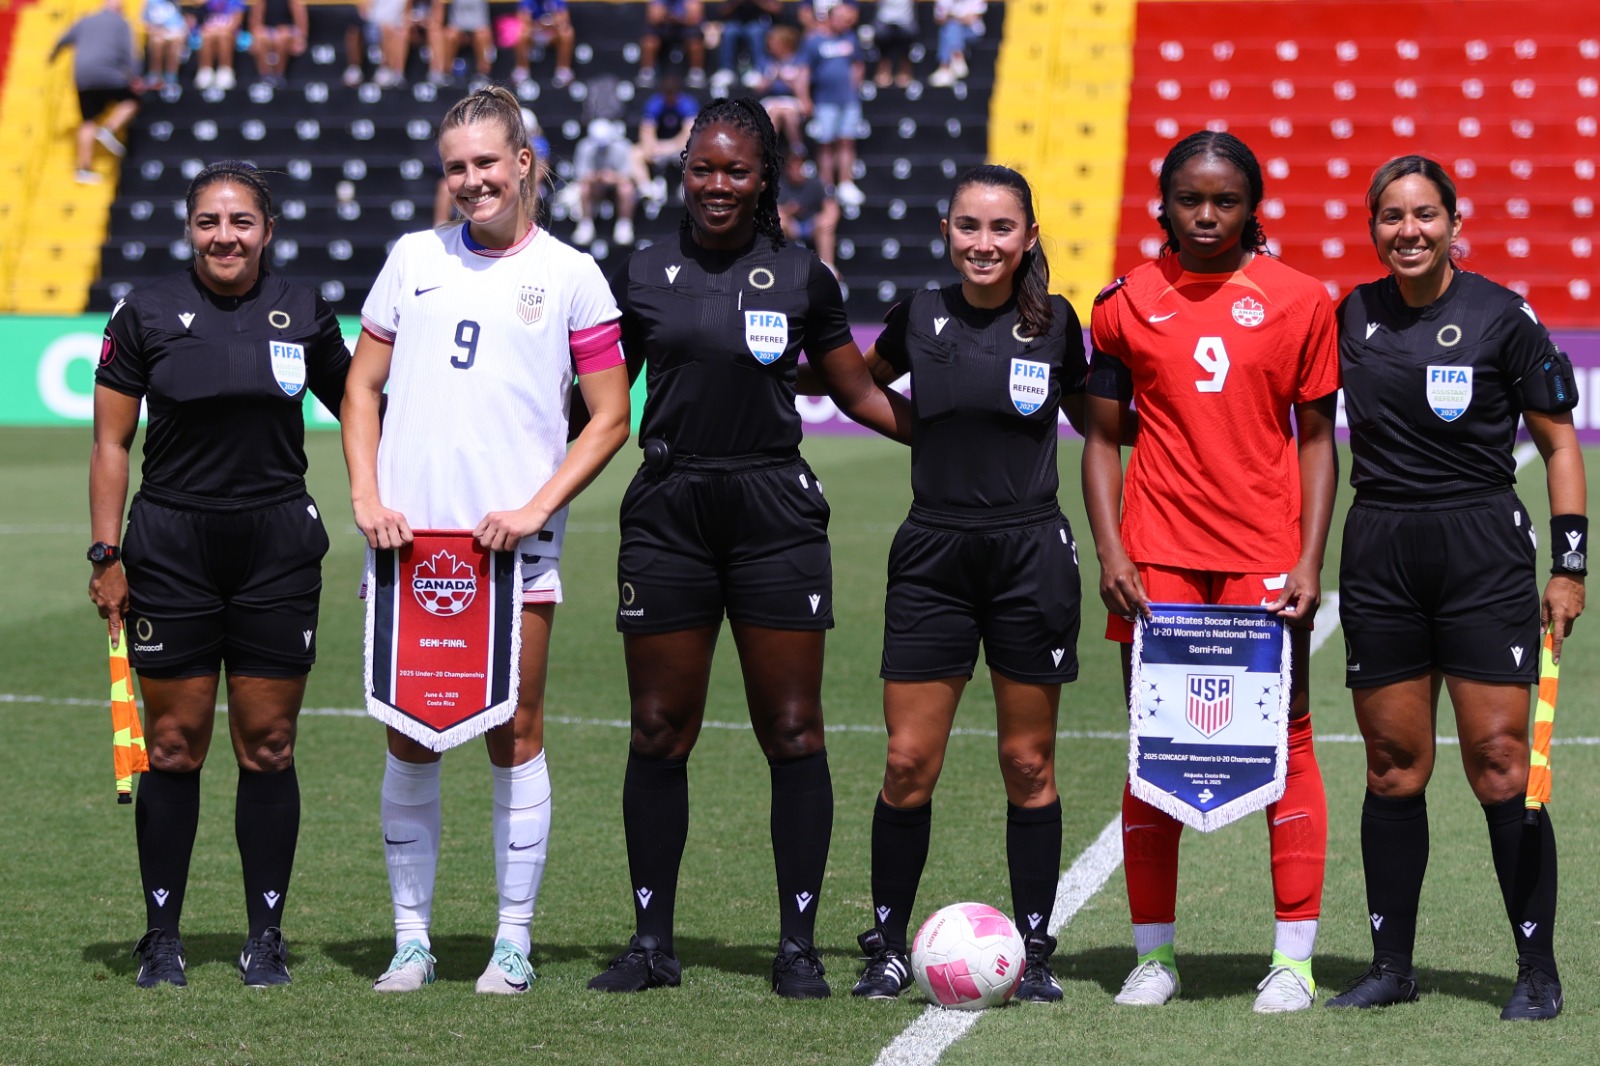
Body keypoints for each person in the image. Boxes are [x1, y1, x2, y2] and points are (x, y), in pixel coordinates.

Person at [586, 96, 909, 999]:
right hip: (669, 509)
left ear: (765, 177)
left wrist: (957, 438)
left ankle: (797, 947)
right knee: (659, 729)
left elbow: (854, 391)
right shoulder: (638, 271)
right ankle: (652, 944)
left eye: (736, 170)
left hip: (774, 512)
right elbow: (592, 402)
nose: (718, 185)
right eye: (703, 168)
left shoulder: (804, 276)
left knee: (794, 730)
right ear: (682, 172)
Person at [343, 85, 632, 995]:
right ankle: (411, 941)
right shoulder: (411, 258)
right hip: (408, 546)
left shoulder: (574, 275)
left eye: (485, 163)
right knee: (409, 737)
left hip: (511, 553)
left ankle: (513, 941)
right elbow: (360, 389)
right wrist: (366, 495)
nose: (471, 181)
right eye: (455, 167)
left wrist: (535, 508)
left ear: (524, 163)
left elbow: (610, 417)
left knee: (516, 730)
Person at [1081, 130, 1338, 1013]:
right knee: (1155, 742)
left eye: (1225, 201)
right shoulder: (1123, 304)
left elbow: (1317, 440)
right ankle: (1153, 957)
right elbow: (1101, 438)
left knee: (1286, 741)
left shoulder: (1303, 301)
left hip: (1264, 558)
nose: (1205, 215)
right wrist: (1112, 550)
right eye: (1189, 199)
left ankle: (1293, 961)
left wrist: (1309, 558)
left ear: (1251, 207)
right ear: (1163, 203)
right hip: (1156, 558)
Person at [1325, 155, 1584, 1021]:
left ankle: (1536, 972)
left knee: (1501, 764)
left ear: (1454, 223)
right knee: (1393, 766)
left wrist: (1570, 566)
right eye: (1392, 217)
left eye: (1425, 214)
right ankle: (1391, 967)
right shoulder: (1350, 315)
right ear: (1374, 228)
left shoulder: (1502, 316)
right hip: (1381, 553)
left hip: (1481, 552)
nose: (1409, 231)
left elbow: (1560, 444)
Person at [88, 160, 351, 989]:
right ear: (189, 229)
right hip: (171, 547)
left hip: (277, 547)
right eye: (208, 221)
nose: (224, 236)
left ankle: (264, 937)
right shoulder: (145, 311)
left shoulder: (304, 308)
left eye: (240, 222)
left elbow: (364, 409)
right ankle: (161, 937)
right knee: (173, 745)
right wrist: (106, 554)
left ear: (267, 230)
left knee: (269, 745)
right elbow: (110, 443)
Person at [847, 164, 1086, 1003]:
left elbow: (1101, 426)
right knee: (908, 760)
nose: (984, 244)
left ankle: (1035, 949)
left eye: (1001, 228)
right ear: (946, 232)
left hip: (1030, 556)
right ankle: (888, 945)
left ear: (1028, 237)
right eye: (968, 226)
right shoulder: (919, 314)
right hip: (933, 557)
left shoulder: (1059, 324)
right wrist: (933, 438)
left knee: (1028, 762)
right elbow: (859, 385)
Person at [50, 0, 141, 185]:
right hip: (110, 74)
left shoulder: (86, 20)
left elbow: (62, 39)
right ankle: (109, 128)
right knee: (131, 102)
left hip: (83, 77)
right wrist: (136, 76)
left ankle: (83, 169)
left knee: (88, 121)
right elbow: (130, 52)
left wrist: (52, 56)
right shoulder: (122, 23)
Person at [799, 2, 864, 207]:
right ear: (829, 18)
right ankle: (827, 186)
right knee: (825, 144)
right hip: (824, 101)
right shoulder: (814, 41)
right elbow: (804, 71)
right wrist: (804, 98)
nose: (846, 22)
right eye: (841, 18)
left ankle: (846, 182)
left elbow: (858, 64)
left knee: (847, 141)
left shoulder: (850, 38)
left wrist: (855, 87)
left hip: (849, 100)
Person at [631, 74, 698, 206]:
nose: (669, 98)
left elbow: (689, 134)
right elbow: (646, 132)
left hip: (681, 148)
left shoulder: (687, 104)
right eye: (667, 94)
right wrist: (652, 147)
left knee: (697, 153)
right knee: (636, 153)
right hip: (658, 147)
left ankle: (687, 186)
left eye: (672, 94)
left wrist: (670, 147)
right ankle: (647, 189)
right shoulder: (655, 103)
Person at [776, 148, 838, 272]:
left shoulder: (815, 183)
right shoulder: (780, 185)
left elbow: (831, 206)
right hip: (791, 224)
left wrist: (827, 219)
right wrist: (788, 210)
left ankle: (829, 267)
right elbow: (772, 209)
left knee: (825, 224)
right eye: (793, 166)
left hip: (812, 225)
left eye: (799, 166)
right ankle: (780, 265)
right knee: (779, 220)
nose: (796, 170)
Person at [752, 23, 808, 157]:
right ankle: (768, 149)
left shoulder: (798, 61)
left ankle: (796, 147)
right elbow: (758, 88)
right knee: (774, 111)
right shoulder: (765, 62)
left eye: (774, 43)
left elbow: (801, 85)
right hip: (771, 98)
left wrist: (785, 77)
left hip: (791, 99)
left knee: (788, 113)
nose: (770, 46)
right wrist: (771, 78)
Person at [638, 0, 707, 89]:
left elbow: (695, 17)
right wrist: (680, 17)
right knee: (649, 39)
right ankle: (647, 73)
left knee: (695, 40)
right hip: (664, 27)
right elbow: (653, 17)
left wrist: (675, 17)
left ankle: (696, 73)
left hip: (684, 28)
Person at [425, 0, 491, 88]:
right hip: (457, 28)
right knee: (450, 35)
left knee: (483, 35)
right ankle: (446, 73)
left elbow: (483, 25)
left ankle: (483, 74)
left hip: (478, 29)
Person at [513, 0, 576, 88]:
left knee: (567, 33)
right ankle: (522, 71)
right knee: (521, 33)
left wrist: (549, 23)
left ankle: (563, 71)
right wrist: (539, 24)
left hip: (551, 33)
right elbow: (522, 19)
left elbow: (564, 17)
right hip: (534, 33)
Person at [249, 0, 308, 87]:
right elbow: (255, 23)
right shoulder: (261, 1)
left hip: (288, 32)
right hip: (268, 32)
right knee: (260, 37)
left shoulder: (293, 1)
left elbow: (301, 22)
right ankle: (265, 76)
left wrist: (300, 39)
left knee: (282, 37)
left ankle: (279, 75)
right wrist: (254, 39)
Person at [928, 0, 983, 88]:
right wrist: (955, 19)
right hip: (951, 31)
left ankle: (945, 67)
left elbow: (972, 19)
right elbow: (939, 19)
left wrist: (952, 17)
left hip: (972, 32)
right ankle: (958, 57)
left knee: (948, 30)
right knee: (950, 29)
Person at [194, 0, 247, 90]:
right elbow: (199, 17)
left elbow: (236, 23)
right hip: (209, 31)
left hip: (231, 33)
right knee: (206, 37)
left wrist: (220, 30)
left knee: (223, 37)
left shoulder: (236, 2)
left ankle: (225, 71)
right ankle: (205, 71)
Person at [142, 0, 190, 91]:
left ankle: (171, 76)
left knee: (176, 43)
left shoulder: (174, 4)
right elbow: (146, 24)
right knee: (157, 42)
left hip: (174, 34)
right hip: (157, 34)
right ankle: (155, 74)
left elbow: (181, 27)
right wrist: (156, 31)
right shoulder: (151, 3)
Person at [869, 0, 917, 88]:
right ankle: (884, 71)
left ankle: (904, 72)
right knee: (881, 36)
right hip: (884, 20)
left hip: (905, 21)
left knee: (908, 37)